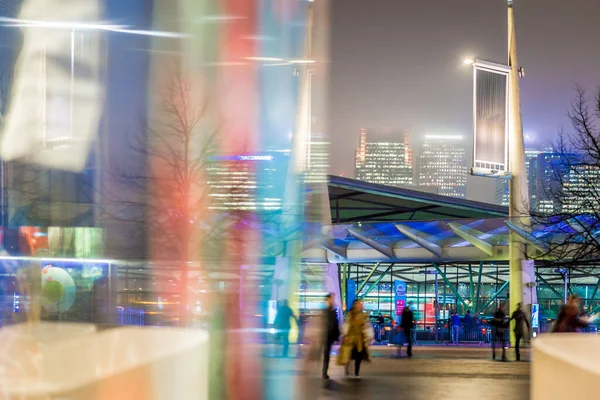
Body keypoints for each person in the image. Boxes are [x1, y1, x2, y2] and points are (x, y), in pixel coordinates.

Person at [337, 300, 372, 378]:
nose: (361, 305)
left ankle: (356, 372)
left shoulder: (363, 315)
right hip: (350, 338)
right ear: (356, 305)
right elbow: (346, 325)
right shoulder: (350, 314)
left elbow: (366, 326)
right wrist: (345, 335)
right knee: (348, 354)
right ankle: (347, 369)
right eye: (360, 304)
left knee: (358, 356)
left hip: (359, 339)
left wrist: (369, 336)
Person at [322, 294, 340, 380]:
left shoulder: (331, 311)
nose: (332, 300)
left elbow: (335, 324)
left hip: (328, 336)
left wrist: (337, 335)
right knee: (326, 354)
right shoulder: (327, 311)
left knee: (326, 354)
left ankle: (324, 372)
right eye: (331, 299)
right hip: (325, 335)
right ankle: (324, 372)